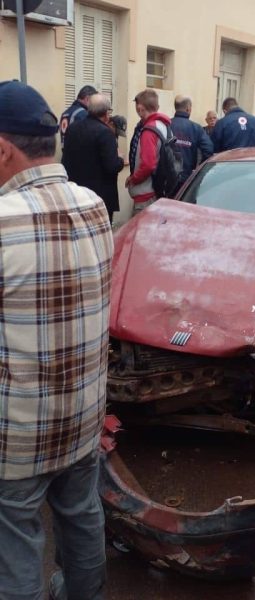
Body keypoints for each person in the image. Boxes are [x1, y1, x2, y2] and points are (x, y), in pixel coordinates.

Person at [0, 79, 113, 600]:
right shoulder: (93, 206)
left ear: (3, 149)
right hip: (83, 415)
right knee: (82, 513)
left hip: (16, 433)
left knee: (15, 540)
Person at [62, 93, 124, 224]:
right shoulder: (105, 133)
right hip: (99, 198)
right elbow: (112, 166)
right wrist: (120, 160)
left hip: (76, 195)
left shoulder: (72, 128)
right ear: (107, 113)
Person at [125, 88, 172, 214]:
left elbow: (148, 165)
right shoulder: (163, 125)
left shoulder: (148, 130)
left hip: (146, 195)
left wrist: (133, 179)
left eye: (137, 108)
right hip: (157, 189)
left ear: (140, 108)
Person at [171, 95, 214, 187]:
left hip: (167, 178)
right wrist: (199, 168)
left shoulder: (166, 125)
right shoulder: (196, 128)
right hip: (187, 178)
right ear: (188, 109)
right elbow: (209, 149)